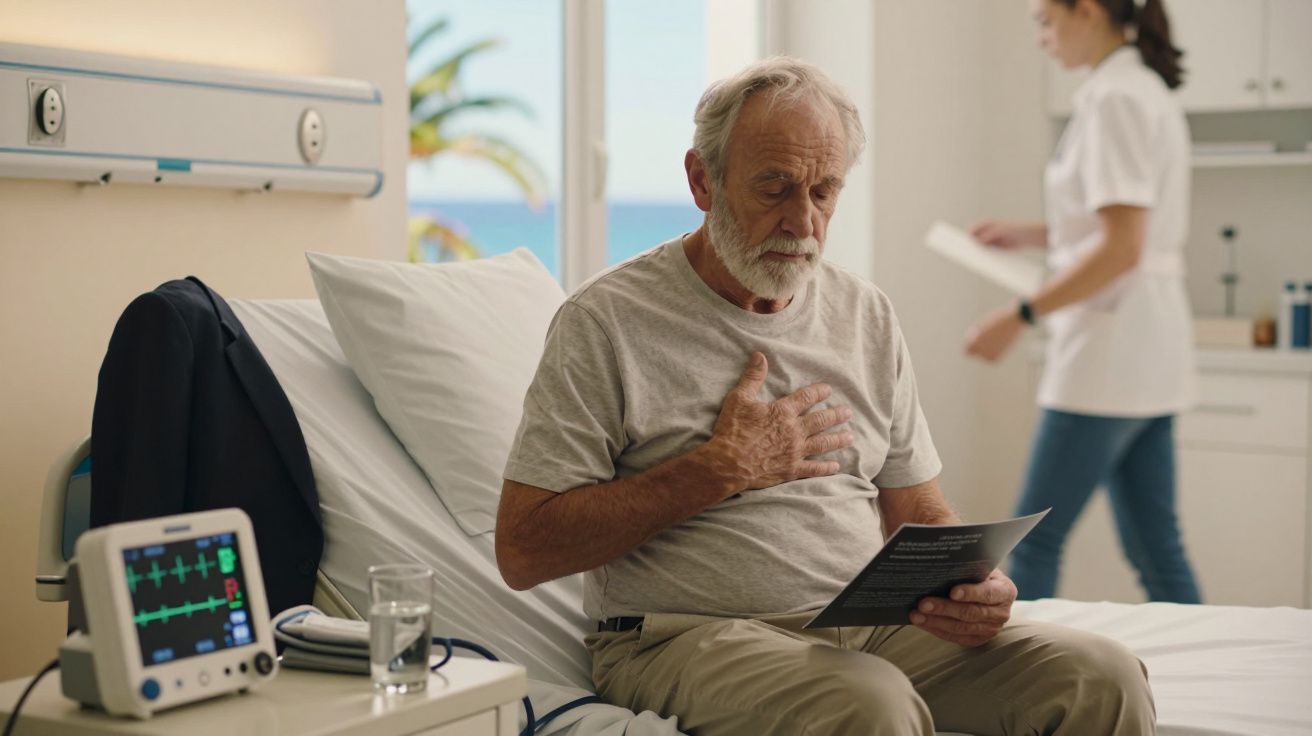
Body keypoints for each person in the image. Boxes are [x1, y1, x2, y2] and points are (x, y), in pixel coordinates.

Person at [498, 56, 1155, 735]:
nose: (803, 222)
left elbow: (917, 508)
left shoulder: (864, 314)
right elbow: (523, 550)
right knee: (868, 703)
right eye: (774, 188)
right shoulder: (606, 321)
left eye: (823, 192)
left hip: (867, 627)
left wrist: (971, 586)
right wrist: (718, 470)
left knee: (1101, 676)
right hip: (680, 637)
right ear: (702, 180)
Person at [965, 0, 1201, 604]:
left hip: (1108, 353)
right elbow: (1124, 231)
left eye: (1045, 19)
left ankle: (1017, 688)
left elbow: (1122, 248)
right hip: (1147, 349)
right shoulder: (1143, 88)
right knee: (1157, 547)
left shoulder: (1112, 99)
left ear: (1087, 12)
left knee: (1035, 540)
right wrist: (1030, 233)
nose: (1041, 37)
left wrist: (1018, 316)